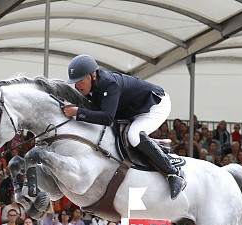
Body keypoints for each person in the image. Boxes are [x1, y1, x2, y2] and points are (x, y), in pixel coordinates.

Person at [64, 54, 185, 198]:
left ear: (93, 75)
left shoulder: (109, 84)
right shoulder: (92, 86)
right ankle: (154, 147)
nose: (77, 86)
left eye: (80, 80)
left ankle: (174, 173)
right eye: (75, 82)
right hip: (132, 109)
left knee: (133, 135)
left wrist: (78, 112)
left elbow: (107, 118)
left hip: (155, 105)